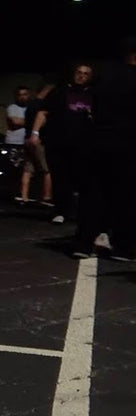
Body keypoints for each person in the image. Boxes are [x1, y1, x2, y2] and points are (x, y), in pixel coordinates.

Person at [71, 38, 136, 260]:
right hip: (127, 143)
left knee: (93, 193)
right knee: (125, 196)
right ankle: (124, 246)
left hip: (98, 140)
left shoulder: (104, 76)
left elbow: (90, 107)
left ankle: (83, 243)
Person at [28, 63, 94, 224]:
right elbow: (43, 112)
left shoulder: (93, 94)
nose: (81, 76)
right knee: (60, 178)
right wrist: (35, 133)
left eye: (85, 74)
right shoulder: (60, 91)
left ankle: (82, 213)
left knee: (82, 178)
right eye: (79, 72)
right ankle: (61, 211)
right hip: (59, 142)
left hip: (83, 144)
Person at [20, 83, 55, 206]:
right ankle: (46, 197)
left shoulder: (30, 105)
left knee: (28, 169)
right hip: (38, 140)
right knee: (47, 169)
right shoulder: (43, 106)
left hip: (27, 138)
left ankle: (24, 196)